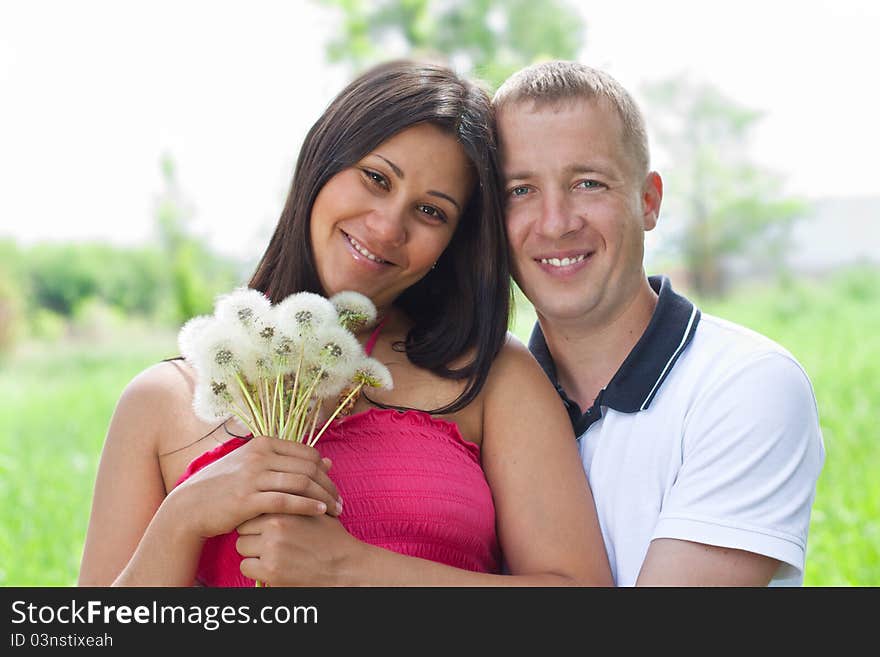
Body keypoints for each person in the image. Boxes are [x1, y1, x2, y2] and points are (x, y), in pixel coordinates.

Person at [77, 60, 612, 587]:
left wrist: (350, 569)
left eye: (431, 212)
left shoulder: (489, 376)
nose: (386, 227)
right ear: (322, 162)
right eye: (376, 178)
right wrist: (182, 519)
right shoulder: (161, 401)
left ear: (452, 244)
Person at [492, 60, 825, 586]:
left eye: (587, 183)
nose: (555, 222)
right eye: (520, 191)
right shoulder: (484, 399)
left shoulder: (744, 384)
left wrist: (348, 573)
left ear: (648, 201)